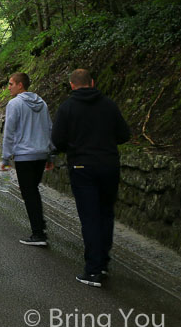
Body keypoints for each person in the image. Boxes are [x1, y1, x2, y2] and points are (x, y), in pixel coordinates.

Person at [51, 69, 130, 288]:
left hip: (82, 166)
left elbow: (57, 140)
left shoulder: (67, 108)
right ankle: (103, 262)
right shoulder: (109, 105)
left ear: (72, 85)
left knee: (90, 217)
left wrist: (73, 147)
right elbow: (124, 134)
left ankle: (93, 270)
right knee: (106, 213)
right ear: (93, 82)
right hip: (108, 165)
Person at [1, 72, 53, 247]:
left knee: (29, 193)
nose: (9, 87)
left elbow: (9, 131)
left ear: (20, 85)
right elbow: (49, 128)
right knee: (33, 191)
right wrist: (50, 153)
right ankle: (40, 227)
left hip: (25, 155)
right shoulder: (42, 103)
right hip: (41, 154)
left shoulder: (14, 104)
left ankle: (38, 233)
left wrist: (6, 157)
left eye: (11, 84)